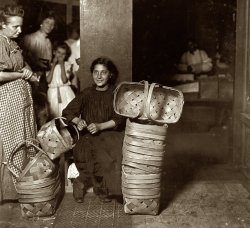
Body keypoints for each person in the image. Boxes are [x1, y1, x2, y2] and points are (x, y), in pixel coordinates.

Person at [62, 57, 125, 203]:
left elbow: (119, 118)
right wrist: (79, 121)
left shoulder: (115, 94)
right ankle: (81, 182)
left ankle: (103, 187)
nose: (99, 76)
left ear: (110, 75)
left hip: (109, 133)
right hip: (88, 135)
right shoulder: (86, 94)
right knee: (87, 151)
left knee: (110, 151)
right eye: (96, 72)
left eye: (103, 72)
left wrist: (100, 126)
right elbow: (67, 112)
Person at [0, 4, 37, 202]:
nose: (19, 30)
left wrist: (29, 71)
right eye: (15, 26)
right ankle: (9, 191)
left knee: (24, 138)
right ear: (1, 24)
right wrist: (21, 74)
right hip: (6, 100)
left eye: (20, 26)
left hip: (20, 98)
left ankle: (22, 188)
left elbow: (21, 64)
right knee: (12, 142)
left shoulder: (11, 41)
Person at [22, 10, 56, 94]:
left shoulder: (48, 42)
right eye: (47, 22)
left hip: (44, 76)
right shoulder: (30, 38)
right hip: (31, 75)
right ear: (41, 23)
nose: (50, 26)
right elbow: (24, 58)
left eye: (52, 24)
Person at [47, 42, 75, 118]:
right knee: (54, 113)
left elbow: (64, 80)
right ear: (54, 52)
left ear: (66, 56)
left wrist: (62, 64)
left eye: (63, 54)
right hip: (53, 92)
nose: (60, 55)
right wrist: (53, 66)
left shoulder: (67, 65)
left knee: (67, 112)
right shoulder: (49, 65)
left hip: (65, 91)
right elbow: (48, 80)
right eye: (59, 52)